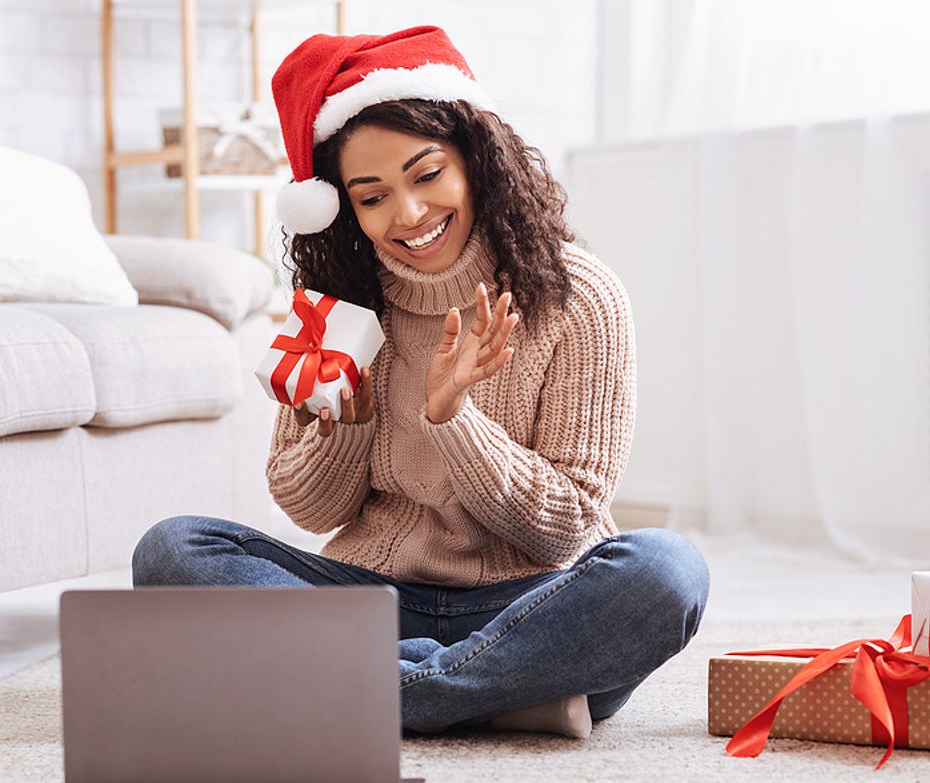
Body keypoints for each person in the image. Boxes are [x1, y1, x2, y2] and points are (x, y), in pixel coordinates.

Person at [132, 25, 710, 738]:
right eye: (372, 196)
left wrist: (454, 416)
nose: (407, 214)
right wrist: (348, 426)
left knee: (667, 570)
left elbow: (563, 524)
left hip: (533, 603)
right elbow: (309, 509)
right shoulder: (338, 305)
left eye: (427, 175)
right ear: (343, 206)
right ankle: (495, 693)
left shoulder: (579, 297)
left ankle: (363, 684)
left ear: (477, 160)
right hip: (374, 600)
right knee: (172, 550)